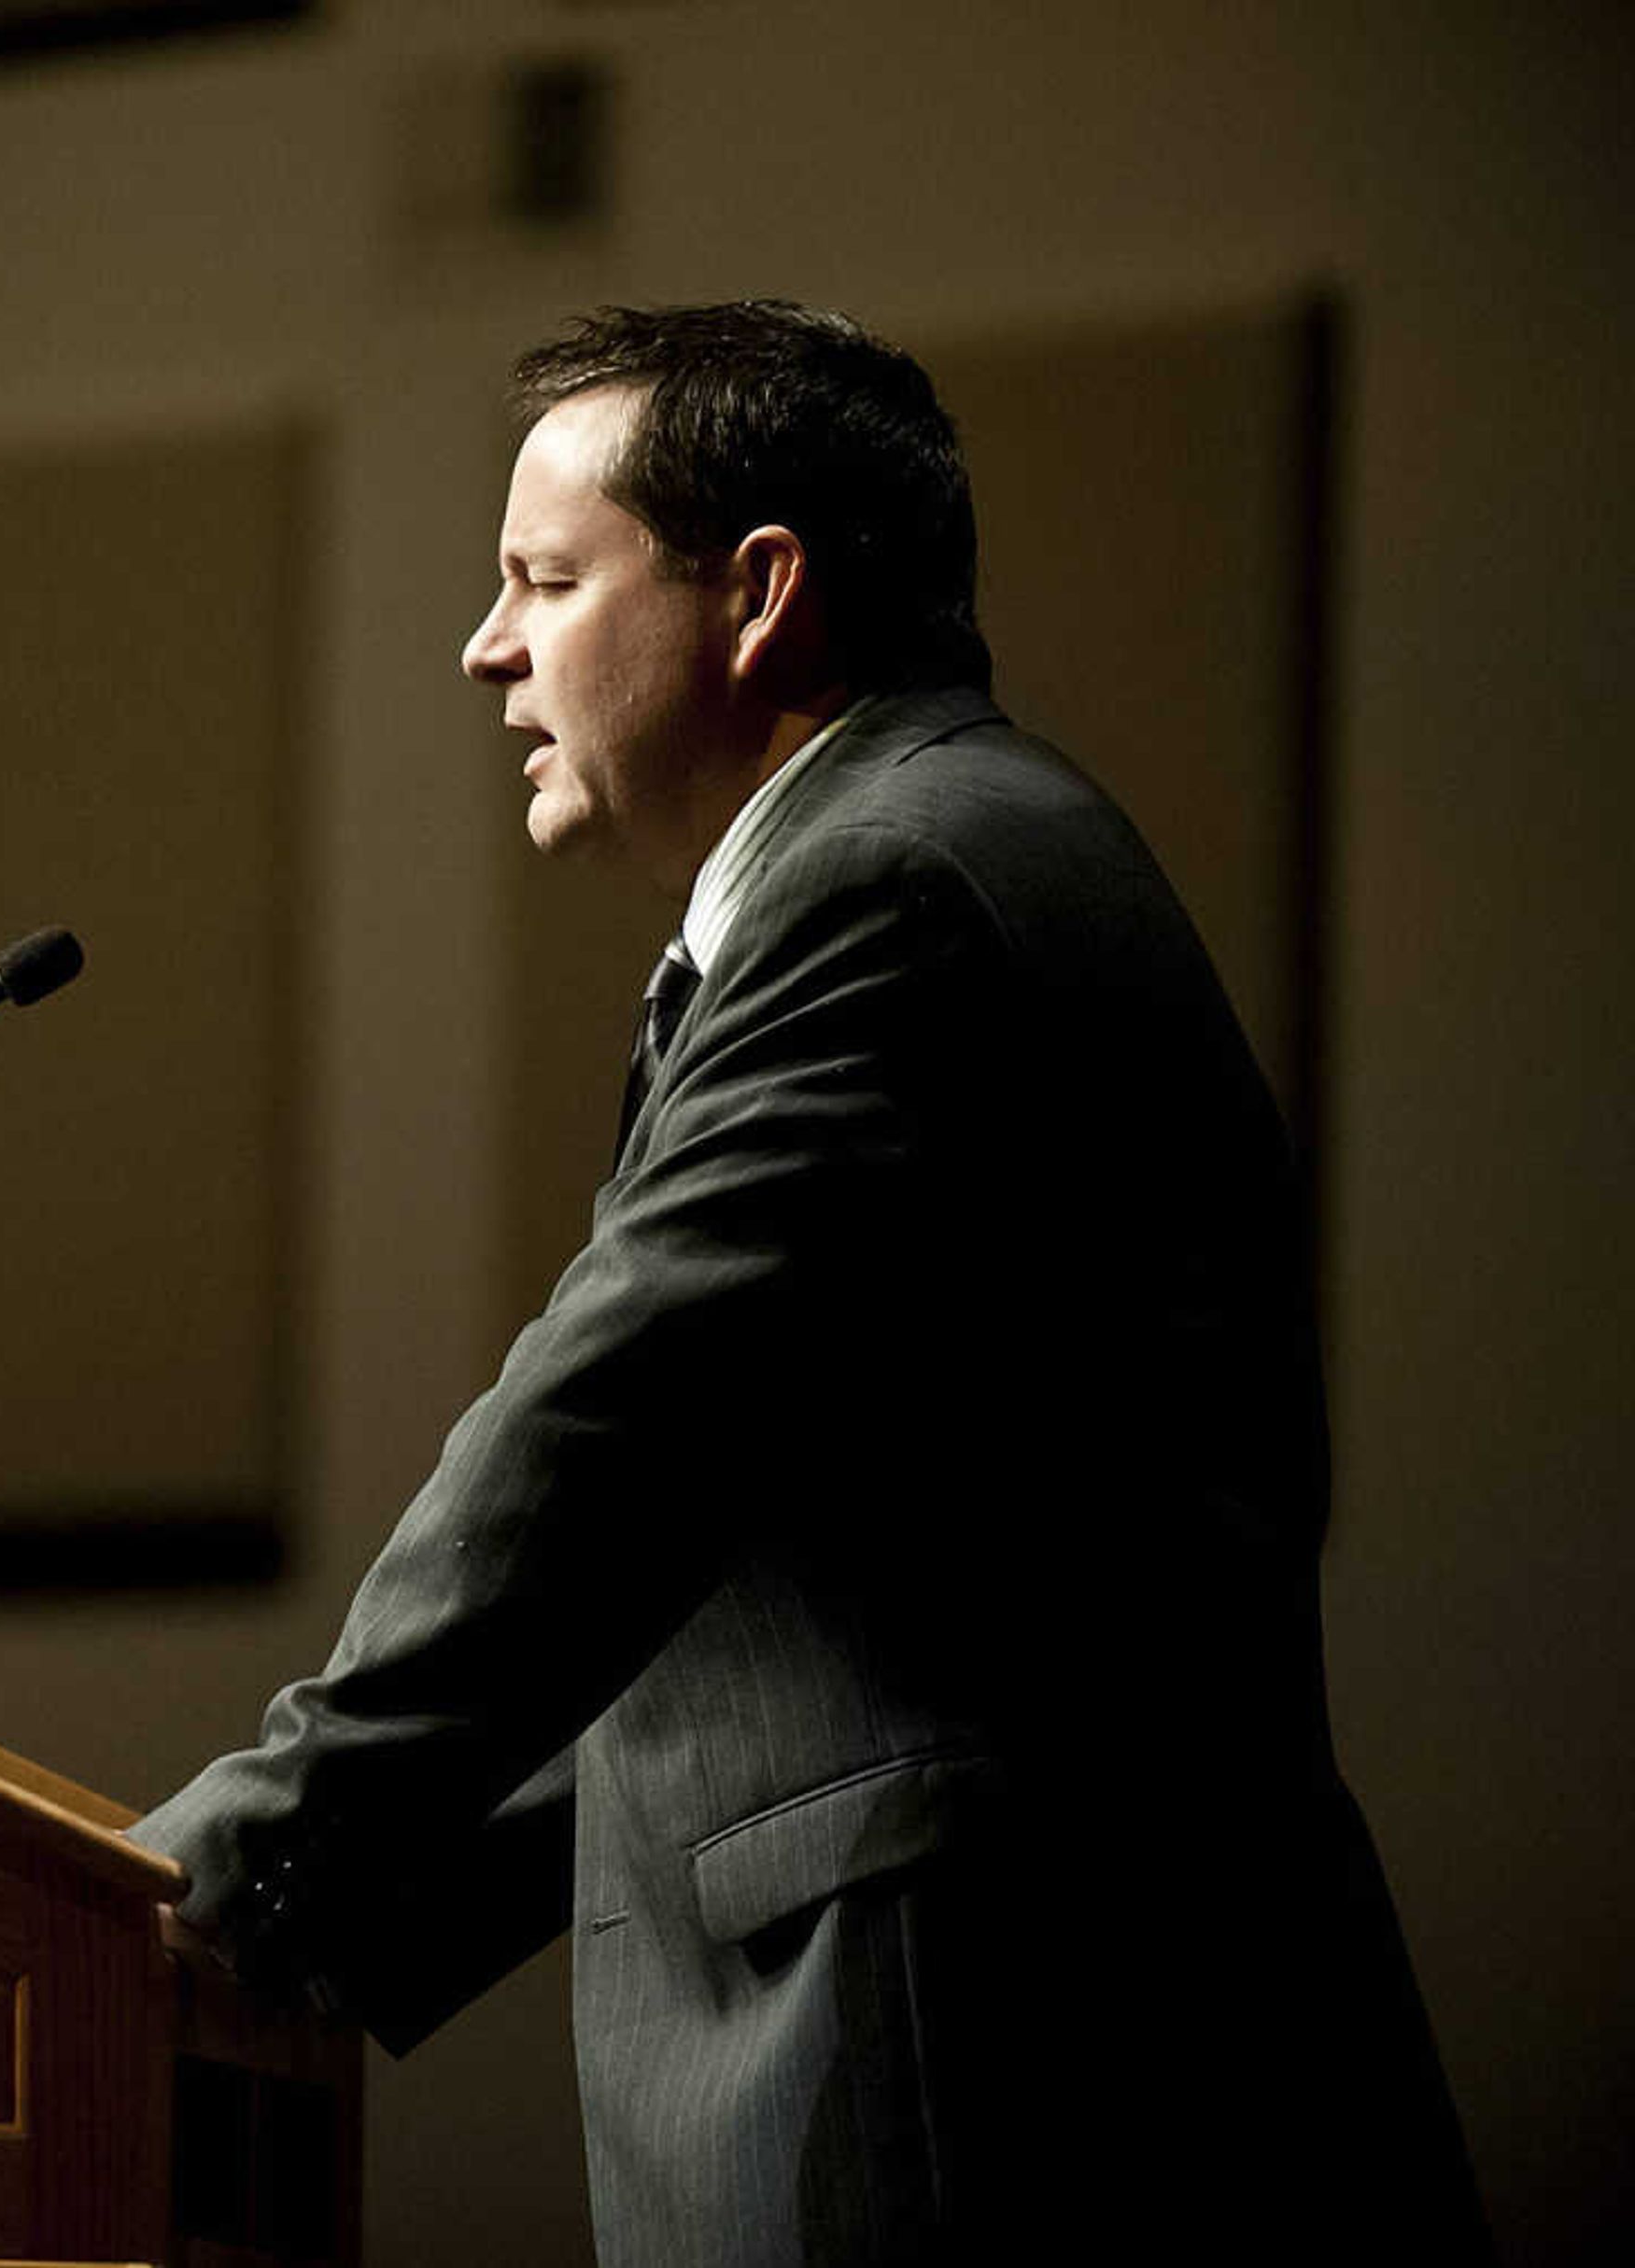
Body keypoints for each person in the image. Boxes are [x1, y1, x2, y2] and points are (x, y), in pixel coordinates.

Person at [132, 303, 1485, 2267]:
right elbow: (750, 1594)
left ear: (760, 593)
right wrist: (344, 1918)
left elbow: (610, 1431)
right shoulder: (938, 849)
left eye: (542, 580)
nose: (487, 647)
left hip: (982, 2077)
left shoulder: (898, 886)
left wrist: (224, 1866)